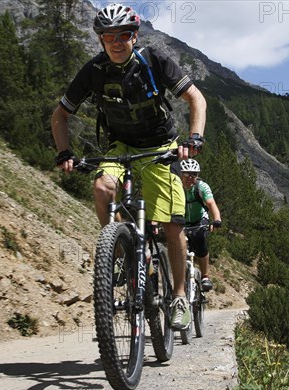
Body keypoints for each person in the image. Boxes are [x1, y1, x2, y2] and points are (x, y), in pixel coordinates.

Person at [51, 3, 207, 331]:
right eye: (109, 36)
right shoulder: (93, 71)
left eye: (124, 34)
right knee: (102, 187)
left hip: (161, 146)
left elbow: (196, 99)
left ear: (134, 36)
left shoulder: (154, 61)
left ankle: (179, 295)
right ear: (101, 40)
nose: (117, 41)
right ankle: (121, 253)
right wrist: (64, 152)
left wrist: (194, 138)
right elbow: (60, 114)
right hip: (120, 145)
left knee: (172, 225)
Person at [179, 159, 221, 291]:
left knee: (200, 239)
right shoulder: (175, 187)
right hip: (182, 220)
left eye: (194, 174)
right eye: (186, 174)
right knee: (178, 247)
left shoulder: (201, 186)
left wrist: (217, 220)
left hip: (199, 220)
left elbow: (211, 204)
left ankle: (205, 276)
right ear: (180, 174)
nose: (190, 178)